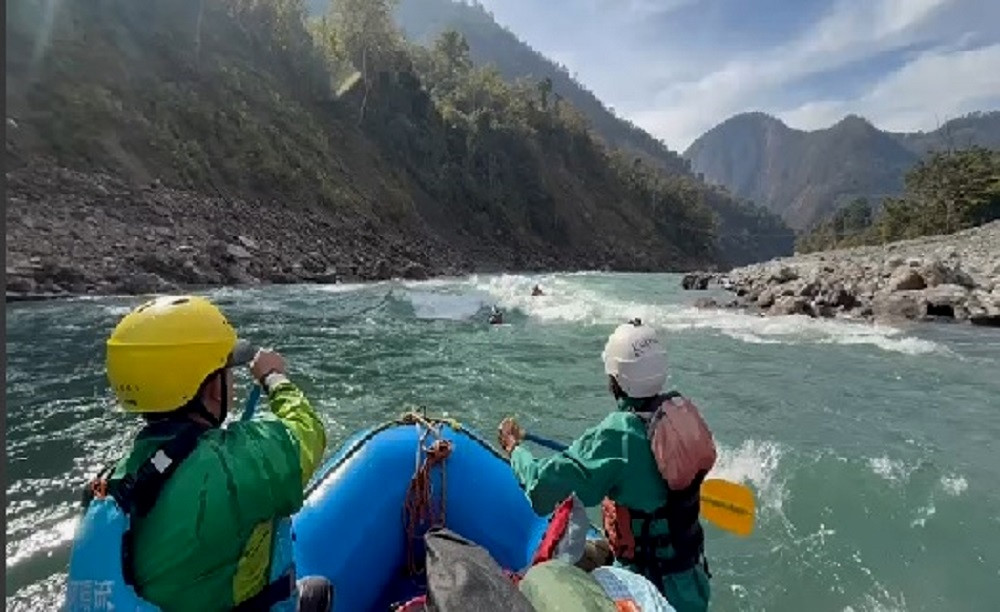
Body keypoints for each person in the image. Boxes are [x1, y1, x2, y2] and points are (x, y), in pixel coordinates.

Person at [64, 295, 330, 612]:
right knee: (319, 591)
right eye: (226, 371)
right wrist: (274, 378)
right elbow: (306, 431)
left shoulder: (112, 480)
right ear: (215, 389)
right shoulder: (236, 462)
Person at [497, 319, 713, 612]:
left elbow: (541, 489)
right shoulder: (679, 411)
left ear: (616, 379)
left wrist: (515, 450)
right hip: (692, 580)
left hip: (647, 585)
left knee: (542, 576)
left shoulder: (617, 435)